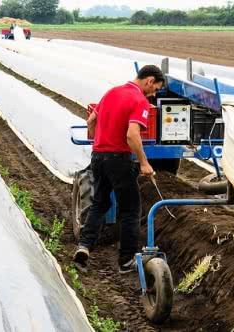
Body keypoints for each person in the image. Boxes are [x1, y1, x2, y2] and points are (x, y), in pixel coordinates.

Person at [73, 65, 165, 274]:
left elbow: (91, 121)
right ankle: (126, 261)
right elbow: (132, 135)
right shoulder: (139, 100)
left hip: (98, 156)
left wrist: (100, 143)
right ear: (149, 80)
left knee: (100, 203)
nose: (154, 93)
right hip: (119, 159)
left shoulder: (111, 92)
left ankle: (84, 246)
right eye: (156, 88)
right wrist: (144, 163)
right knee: (130, 210)